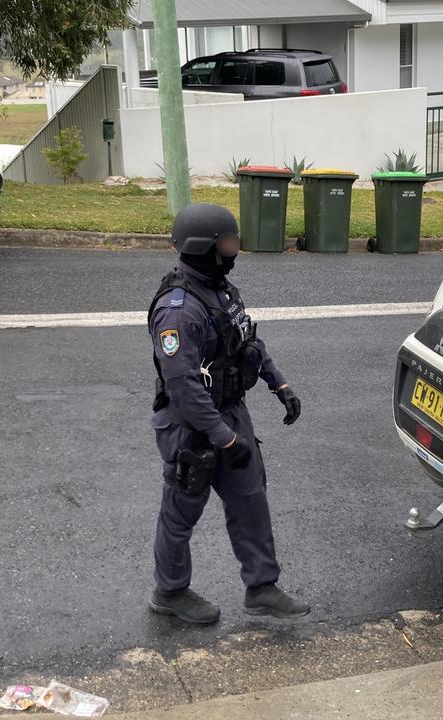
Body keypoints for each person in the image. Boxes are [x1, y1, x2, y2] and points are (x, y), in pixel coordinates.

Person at [147, 203, 309, 625]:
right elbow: (182, 387)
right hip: (191, 426)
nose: (236, 249)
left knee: (250, 498)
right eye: (229, 241)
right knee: (181, 512)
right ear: (207, 247)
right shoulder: (179, 311)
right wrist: (223, 438)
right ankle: (170, 591)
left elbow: (247, 341)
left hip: (230, 414)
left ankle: (262, 587)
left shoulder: (220, 290)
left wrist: (280, 384)